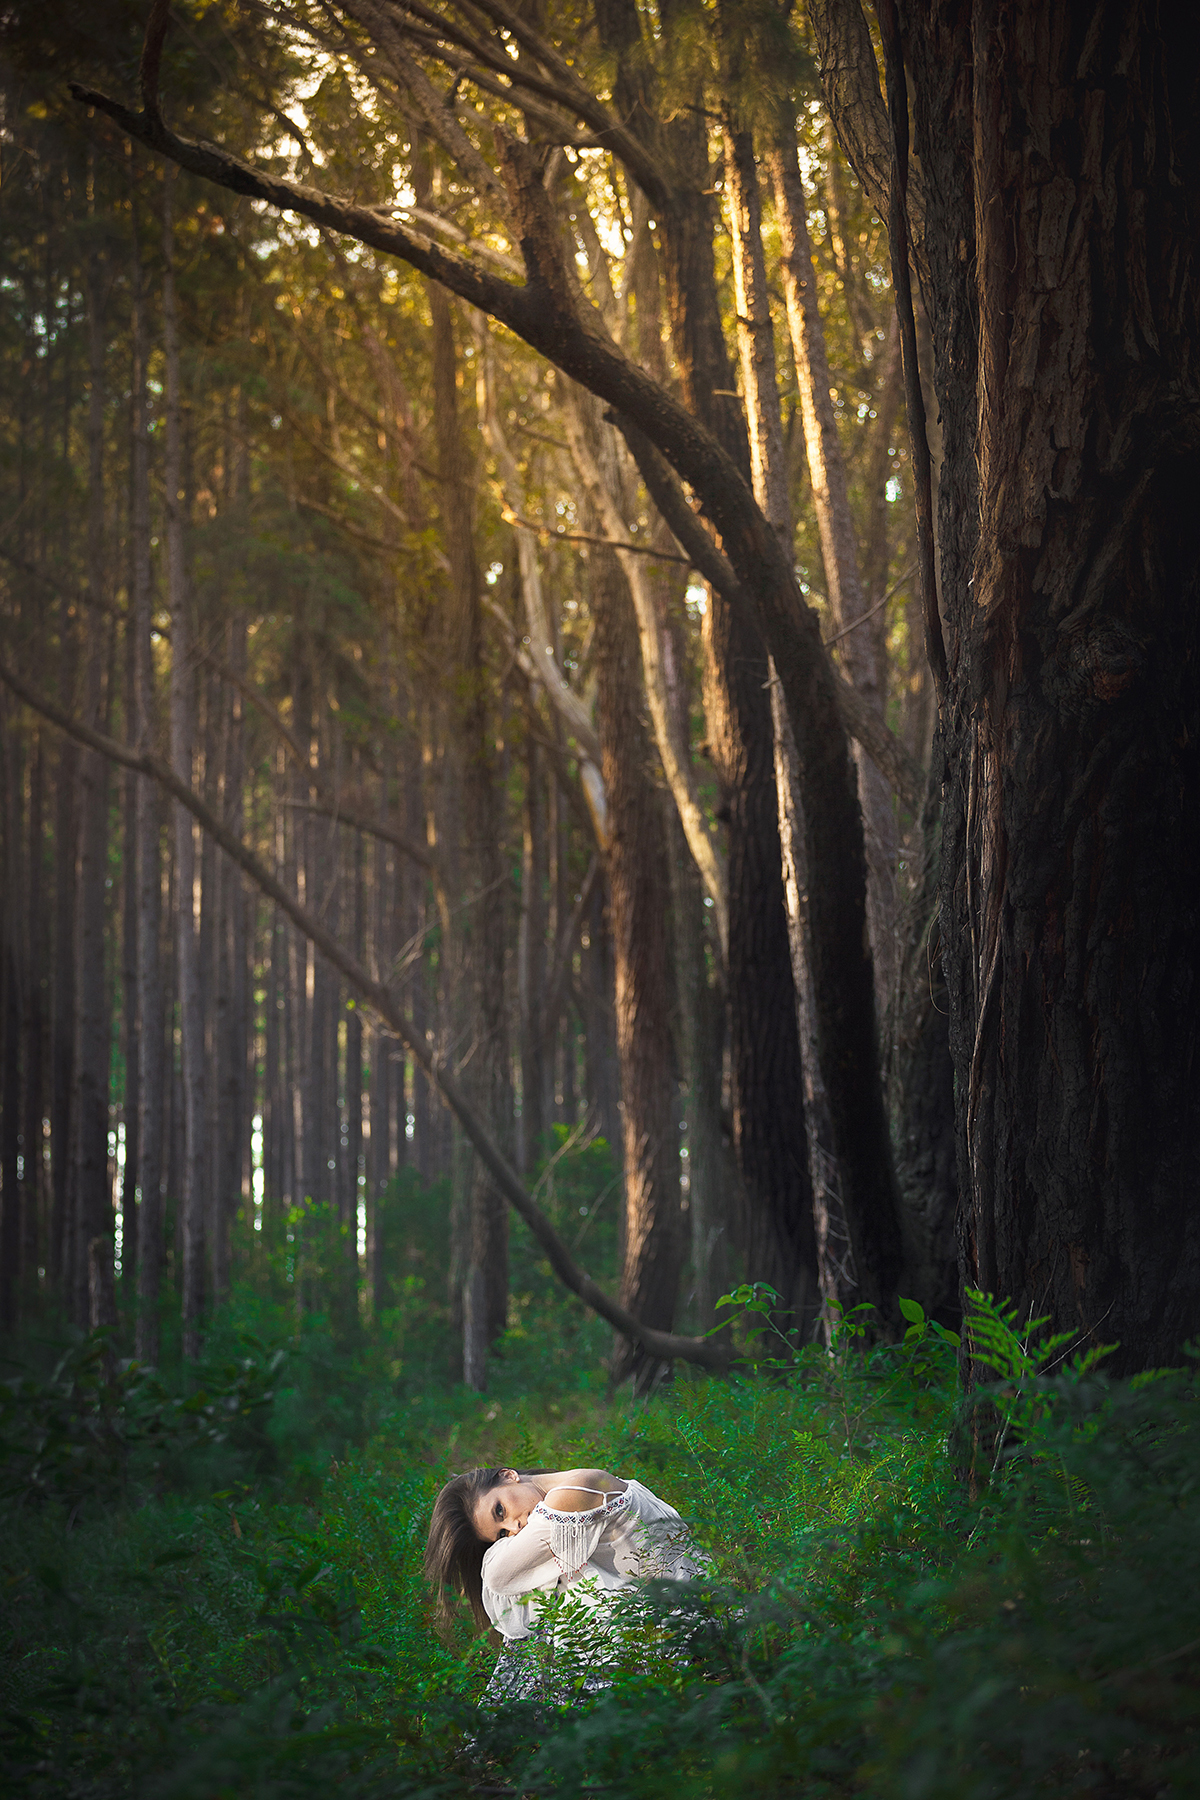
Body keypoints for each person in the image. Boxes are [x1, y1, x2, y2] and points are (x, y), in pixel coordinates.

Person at [425, 1464, 709, 1707]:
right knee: (553, 1581)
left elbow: (499, 1577)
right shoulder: (570, 1491)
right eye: (502, 1533)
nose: (515, 1528)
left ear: (509, 1475)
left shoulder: (573, 1492)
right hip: (687, 1609)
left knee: (547, 1590)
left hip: (677, 1624)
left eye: (500, 1510)